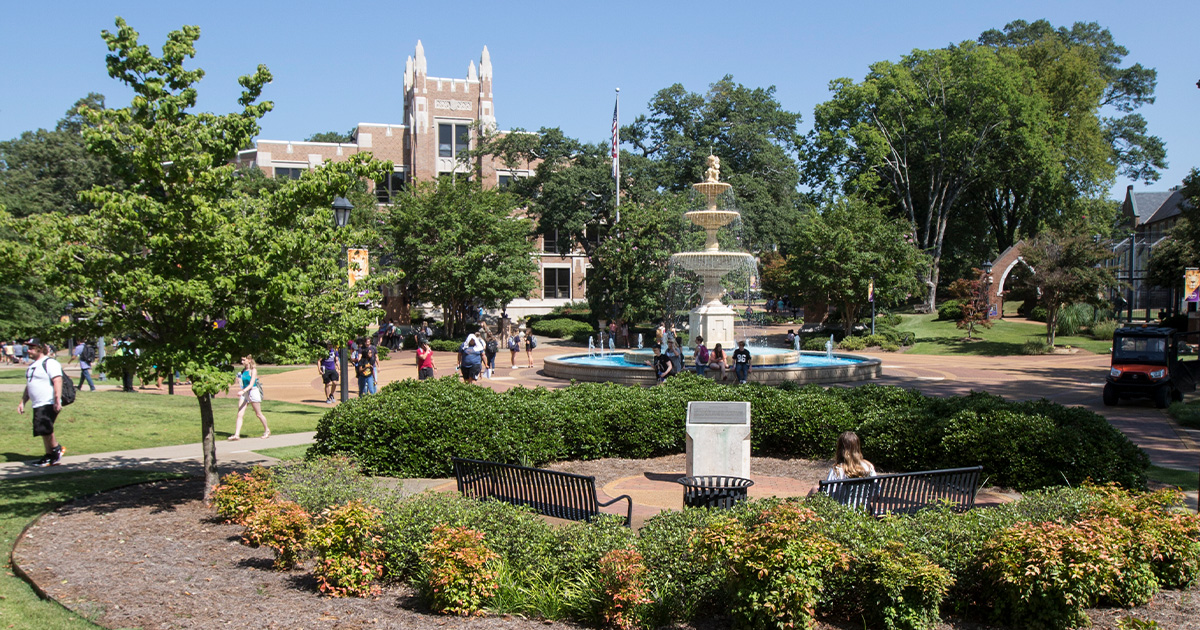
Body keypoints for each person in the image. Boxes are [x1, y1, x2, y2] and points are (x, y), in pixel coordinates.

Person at [18, 338, 65, 466]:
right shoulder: (33, 365)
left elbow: (58, 381)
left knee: (45, 427)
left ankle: (56, 450)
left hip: (48, 401)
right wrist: (23, 401)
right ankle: (49, 454)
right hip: (37, 402)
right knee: (43, 429)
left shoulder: (50, 363)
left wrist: (57, 400)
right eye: (28, 348)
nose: (29, 350)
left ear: (40, 349)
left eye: (32, 348)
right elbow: (29, 385)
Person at [229, 355, 270, 440]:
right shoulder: (243, 371)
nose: (242, 362)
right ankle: (237, 435)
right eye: (242, 360)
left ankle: (267, 430)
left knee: (258, 414)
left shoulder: (253, 370)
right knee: (239, 414)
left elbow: (251, 384)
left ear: (249, 360)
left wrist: (242, 391)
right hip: (245, 393)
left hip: (253, 392)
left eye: (244, 360)